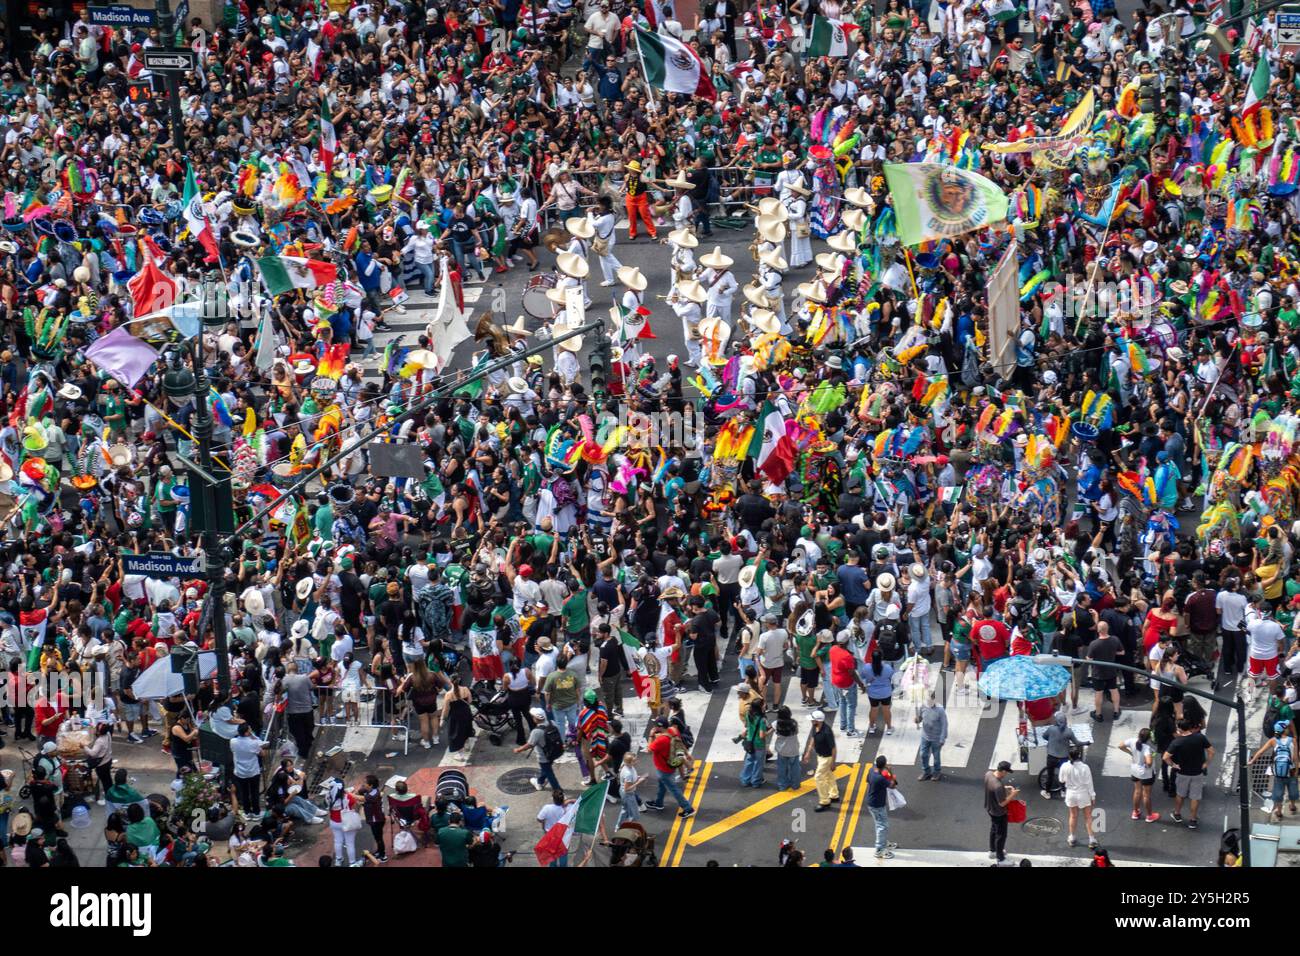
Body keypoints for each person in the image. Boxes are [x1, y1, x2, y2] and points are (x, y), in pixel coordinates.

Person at [1164, 717, 1215, 830]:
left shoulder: (1177, 742)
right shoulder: (1200, 737)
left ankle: (1177, 814)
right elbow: (1211, 751)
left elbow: (1166, 757)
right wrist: (1206, 764)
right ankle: (1193, 820)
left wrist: (1173, 765)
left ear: (1180, 729)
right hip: (1197, 772)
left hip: (1182, 773)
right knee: (1195, 797)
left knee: (1180, 794)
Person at [643, 721, 696, 818]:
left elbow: (649, 750)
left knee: (674, 789)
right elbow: (679, 743)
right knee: (662, 786)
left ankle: (688, 809)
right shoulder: (673, 730)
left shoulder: (661, 740)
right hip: (671, 764)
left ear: (660, 727)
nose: (654, 727)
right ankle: (659, 803)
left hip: (663, 769)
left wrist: (651, 736)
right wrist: (687, 754)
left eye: (656, 726)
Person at [1250, 721, 1299, 822]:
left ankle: (1279, 812)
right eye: (1287, 727)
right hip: (1291, 772)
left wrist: (1252, 761)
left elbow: (1260, 752)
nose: (1288, 728)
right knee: (1293, 792)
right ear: (1284, 730)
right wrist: (1297, 771)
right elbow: (1295, 758)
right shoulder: (1293, 740)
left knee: (1278, 794)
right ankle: (1292, 806)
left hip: (1278, 773)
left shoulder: (1273, 740)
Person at [1118, 728, 1161, 823]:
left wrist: (1130, 753)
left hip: (1134, 770)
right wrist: (1147, 762)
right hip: (1146, 773)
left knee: (1137, 791)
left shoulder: (1132, 741)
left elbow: (1120, 745)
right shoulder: (1147, 748)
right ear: (1149, 738)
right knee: (1146, 795)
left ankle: (1135, 812)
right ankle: (1149, 816)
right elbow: (1149, 762)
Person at [1059, 748, 1098, 849]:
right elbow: (1089, 783)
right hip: (1083, 794)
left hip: (1071, 794)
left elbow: (1061, 780)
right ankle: (1092, 839)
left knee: (1073, 816)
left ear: (1069, 756)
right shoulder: (1085, 767)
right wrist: (1092, 796)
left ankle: (1072, 837)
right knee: (1088, 817)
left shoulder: (1064, 766)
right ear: (1079, 756)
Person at [984, 760, 1018, 865]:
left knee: (994, 829)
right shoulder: (998, 785)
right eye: (1006, 772)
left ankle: (992, 851)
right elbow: (1002, 803)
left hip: (990, 808)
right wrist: (1013, 794)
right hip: (999, 813)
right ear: (1002, 771)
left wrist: (1005, 788)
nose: (1006, 774)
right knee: (1001, 835)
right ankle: (1001, 859)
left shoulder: (988, 774)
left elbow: (992, 788)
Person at [865, 755, 898, 860]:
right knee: (882, 826)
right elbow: (893, 785)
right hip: (877, 805)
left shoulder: (871, 771)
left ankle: (883, 842)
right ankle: (879, 850)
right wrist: (890, 772)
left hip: (873, 803)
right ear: (884, 765)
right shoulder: (880, 778)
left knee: (880, 824)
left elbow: (867, 780)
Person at [804, 710, 839, 812]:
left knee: (819, 777)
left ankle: (824, 801)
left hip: (827, 758)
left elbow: (833, 748)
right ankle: (834, 794)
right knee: (828, 775)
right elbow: (813, 739)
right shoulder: (816, 727)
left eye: (813, 720)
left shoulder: (827, 732)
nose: (811, 721)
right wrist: (808, 752)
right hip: (820, 756)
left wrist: (833, 762)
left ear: (817, 721)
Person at [918, 692, 947, 781]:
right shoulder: (923, 706)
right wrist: (917, 720)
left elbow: (944, 724)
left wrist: (942, 738)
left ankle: (937, 771)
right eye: (927, 700)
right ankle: (926, 771)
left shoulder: (940, 710)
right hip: (925, 736)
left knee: (936, 756)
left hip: (936, 738)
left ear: (934, 700)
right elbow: (920, 718)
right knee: (923, 754)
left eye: (930, 701)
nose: (928, 703)